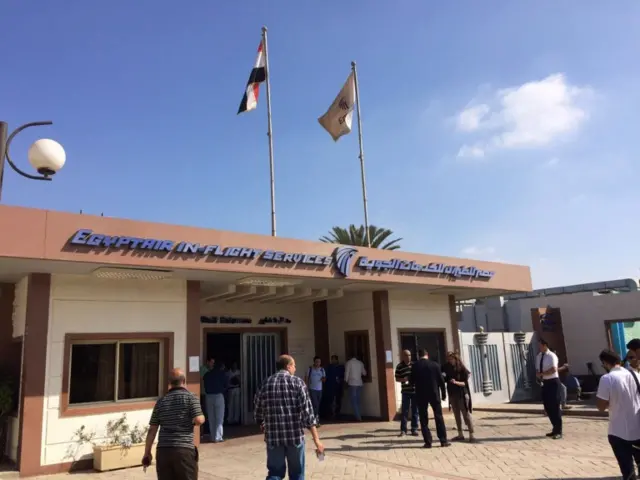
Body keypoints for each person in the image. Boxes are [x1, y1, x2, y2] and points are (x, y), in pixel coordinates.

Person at [254, 354, 324, 480]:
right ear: (288, 366)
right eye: (294, 366)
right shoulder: (298, 383)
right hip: (295, 437)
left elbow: (258, 411)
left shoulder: (265, 383)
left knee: (274, 473)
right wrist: (317, 440)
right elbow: (308, 415)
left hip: (273, 437)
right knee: (297, 474)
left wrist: (262, 424)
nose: (295, 369)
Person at [142, 368, 205, 480]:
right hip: (184, 450)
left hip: (163, 451)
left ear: (169, 383)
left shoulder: (161, 401)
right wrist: (192, 420)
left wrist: (147, 453)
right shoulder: (191, 398)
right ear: (184, 381)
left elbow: (152, 429)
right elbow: (199, 420)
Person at [596, 349, 640, 480]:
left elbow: (601, 407)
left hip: (618, 432)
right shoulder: (635, 375)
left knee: (628, 471)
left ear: (605, 363)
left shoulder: (607, 378)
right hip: (638, 430)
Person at [410, 348, 450, 448]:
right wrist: (444, 394)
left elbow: (411, 381)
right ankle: (443, 440)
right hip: (434, 393)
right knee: (438, 416)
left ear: (419, 356)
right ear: (427, 355)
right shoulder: (435, 365)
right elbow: (441, 381)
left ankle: (428, 441)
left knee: (423, 418)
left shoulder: (415, 366)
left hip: (421, 394)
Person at [442, 351, 475, 442]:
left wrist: (456, 382)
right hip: (452, 394)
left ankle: (471, 435)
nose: (449, 360)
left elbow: (465, 382)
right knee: (456, 414)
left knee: (466, 414)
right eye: (448, 358)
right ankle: (460, 434)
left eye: (451, 358)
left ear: (456, 359)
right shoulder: (446, 367)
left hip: (462, 394)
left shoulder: (461, 368)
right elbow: (443, 376)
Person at [536, 338, 562, 439]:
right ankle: (554, 428)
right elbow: (538, 369)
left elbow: (553, 369)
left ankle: (559, 431)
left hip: (553, 382)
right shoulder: (539, 356)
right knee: (547, 407)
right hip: (544, 383)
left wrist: (542, 373)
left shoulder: (551, 356)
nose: (539, 347)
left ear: (545, 345)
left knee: (555, 406)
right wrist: (538, 375)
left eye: (540, 345)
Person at [203, 360, 229, 442]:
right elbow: (226, 384)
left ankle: (213, 436)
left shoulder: (206, 375)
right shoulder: (221, 374)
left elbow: (205, 386)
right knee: (219, 418)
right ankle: (218, 437)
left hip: (209, 396)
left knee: (211, 417)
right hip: (218, 395)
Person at [394, 349, 418, 436]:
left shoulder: (414, 365)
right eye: (407, 355)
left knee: (415, 411)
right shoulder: (399, 366)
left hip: (415, 391)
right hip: (405, 392)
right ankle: (403, 430)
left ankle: (414, 429)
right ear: (403, 356)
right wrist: (403, 379)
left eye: (410, 355)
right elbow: (397, 378)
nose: (409, 357)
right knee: (405, 411)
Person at [345, 354, 367, 421]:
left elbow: (347, 373)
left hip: (352, 383)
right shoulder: (360, 363)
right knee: (358, 401)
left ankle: (358, 417)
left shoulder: (348, 363)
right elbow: (364, 373)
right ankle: (359, 414)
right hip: (359, 383)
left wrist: (345, 381)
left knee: (354, 401)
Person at [305, 356, 326, 422]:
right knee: (315, 403)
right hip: (312, 388)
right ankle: (315, 417)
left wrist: (323, 379)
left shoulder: (322, 369)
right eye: (316, 362)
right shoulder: (310, 369)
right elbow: (306, 378)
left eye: (319, 362)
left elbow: (324, 379)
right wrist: (306, 387)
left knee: (318, 403)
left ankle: (315, 416)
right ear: (314, 362)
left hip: (320, 389)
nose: (318, 363)